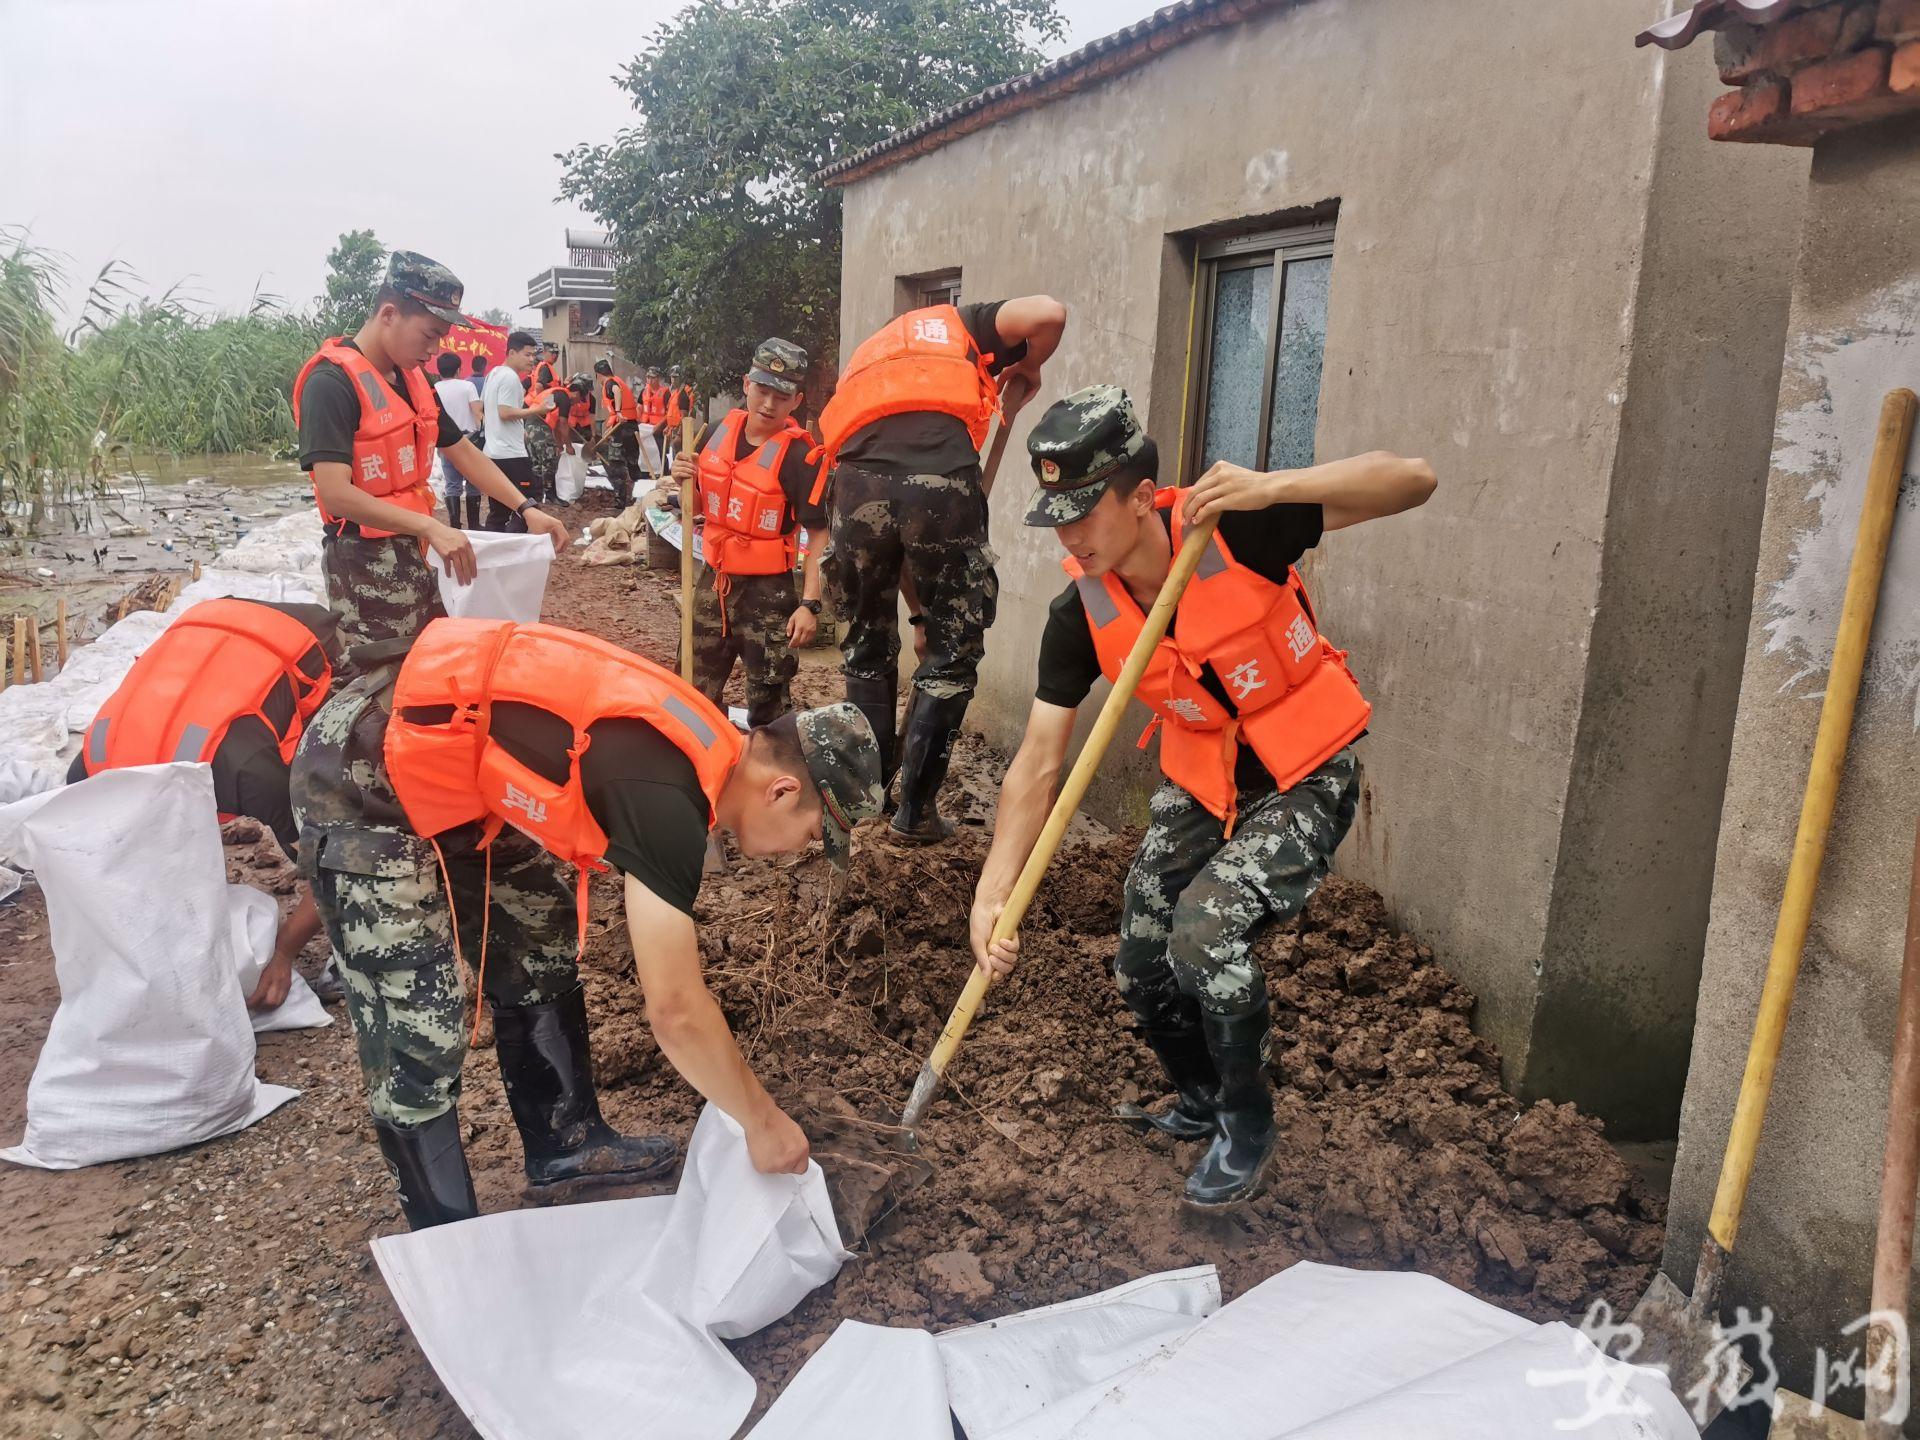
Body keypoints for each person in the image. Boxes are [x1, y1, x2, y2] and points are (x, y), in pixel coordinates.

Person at [968, 387, 1435, 1208]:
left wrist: (1273, 485)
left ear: (1142, 496)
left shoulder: (1241, 530)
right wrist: (992, 891)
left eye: (1085, 511)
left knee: (1205, 929)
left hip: (1303, 774)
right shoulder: (1079, 613)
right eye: (1058, 515)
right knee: (1141, 966)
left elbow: (1413, 479)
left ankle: (1247, 1125)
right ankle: (1201, 1097)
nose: (1070, 535)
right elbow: (1039, 763)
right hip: (1204, 782)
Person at [290, 614, 883, 1229]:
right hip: (366, 763)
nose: (800, 850)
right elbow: (676, 1010)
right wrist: (763, 1122)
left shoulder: (713, 750)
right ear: (783, 791)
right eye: (813, 834)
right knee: (418, 1021)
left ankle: (563, 1142)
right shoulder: (668, 798)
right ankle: (446, 1241)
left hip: (455, 761)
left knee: (538, 936)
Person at [812, 295, 1067, 843]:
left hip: (856, 484)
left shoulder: (878, 355)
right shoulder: (968, 322)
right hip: (942, 484)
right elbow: (1048, 312)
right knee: (952, 660)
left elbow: (901, 545)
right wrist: (1031, 364)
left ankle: (866, 802)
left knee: (866, 644)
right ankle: (915, 815)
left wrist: (922, 617)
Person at [292, 252, 569, 669]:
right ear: (389, 314)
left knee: (428, 667)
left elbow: (463, 451)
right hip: (365, 566)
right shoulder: (331, 384)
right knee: (375, 685)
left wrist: (526, 508)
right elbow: (335, 494)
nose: (436, 350)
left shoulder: (415, 382)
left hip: (419, 554)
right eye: (429, 334)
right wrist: (430, 525)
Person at [70, 598, 345, 1008]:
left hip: (297, 640)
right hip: (207, 626)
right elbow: (93, 883)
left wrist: (284, 953)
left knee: (347, 820)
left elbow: (333, 866)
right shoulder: (88, 769)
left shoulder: (250, 775)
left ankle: (352, 958)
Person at [671, 338, 826, 727]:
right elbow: (701, 509)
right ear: (746, 384)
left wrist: (810, 604)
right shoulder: (712, 436)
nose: (769, 404)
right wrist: (682, 482)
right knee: (690, 689)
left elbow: (820, 535)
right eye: (762, 390)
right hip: (713, 584)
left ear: (796, 400)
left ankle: (767, 779)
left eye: (781, 395)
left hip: (768, 596)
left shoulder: (800, 457)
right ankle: (699, 777)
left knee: (769, 703)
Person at [481, 331, 559, 529]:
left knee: (499, 510)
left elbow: (487, 408)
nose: (532, 360)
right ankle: (514, 548)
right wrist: (537, 410)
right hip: (511, 455)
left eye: (534, 355)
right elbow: (505, 412)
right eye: (527, 355)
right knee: (527, 505)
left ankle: (494, 551)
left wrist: (518, 429)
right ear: (512, 353)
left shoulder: (494, 374)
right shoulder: (510, 378)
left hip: (495, 453)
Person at [432, 353, 483, 529]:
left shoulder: (435, 388)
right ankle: (475, 525)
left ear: (439, 371)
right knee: (474, 483)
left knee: (452, 484)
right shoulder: (467, 386)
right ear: (459, 369)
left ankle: (455, 524)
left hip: (446, 441)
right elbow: (477, 414)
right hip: (469, 440)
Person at [594, 357, 642, 496]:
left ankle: (620, 498)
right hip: (631, 426)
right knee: (632, 460)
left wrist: (619, 412)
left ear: (598, 375)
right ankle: (635, 494)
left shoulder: (610, 383)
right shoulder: (619, 381)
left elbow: (616, 391)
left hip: (622, 429)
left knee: (616, 464)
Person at [637, 364, 670, 477]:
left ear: (658, 378)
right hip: (645, 428)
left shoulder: (665, 393)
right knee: (644, 452)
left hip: (658, 429)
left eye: (652, 377)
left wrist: (659, 426)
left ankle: (663, 475)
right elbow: (639, 407)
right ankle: (646, 475)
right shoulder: (644, 391)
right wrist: (638, 422)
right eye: (648, 377)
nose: (649, 380)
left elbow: (668, 413)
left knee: (660, 452)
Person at [662, 365, 698, 464]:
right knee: (673, 458)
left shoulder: (682, 395)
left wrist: (679, 435)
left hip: (679, 431)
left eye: (676, 378)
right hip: (673, 430)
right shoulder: (675, 393)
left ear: (681, 378)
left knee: (678, 459)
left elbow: (684, 417)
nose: (673, 380)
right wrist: (668, 427)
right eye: (672, 377)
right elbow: (672, 413)